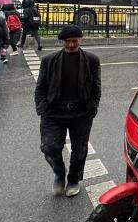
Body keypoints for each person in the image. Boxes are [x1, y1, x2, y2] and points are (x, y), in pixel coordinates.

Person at [35, 25, 101, 197]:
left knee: (79, 150)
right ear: (62, 42)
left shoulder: (91, 60)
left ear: (81, 39)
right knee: (49, 147)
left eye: (74, 41)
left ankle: (73, 179)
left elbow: (96, 87)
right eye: (68, 41)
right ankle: (59, 173)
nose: (71, 44)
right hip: (53, 112)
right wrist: (42, 107)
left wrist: (92, 107)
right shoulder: (49, 60)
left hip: (80, 112)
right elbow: (40, 87)